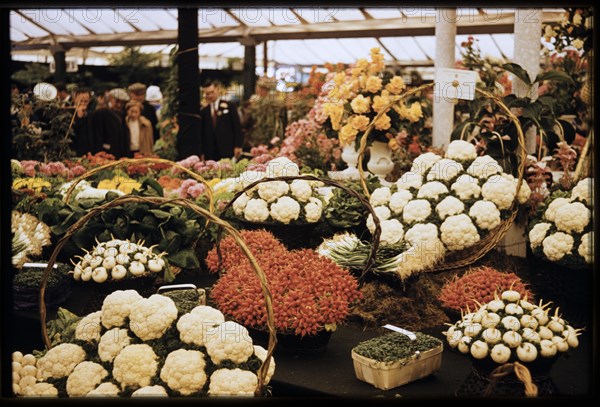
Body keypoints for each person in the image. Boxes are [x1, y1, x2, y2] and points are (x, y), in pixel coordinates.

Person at [200, 80, 243, 161]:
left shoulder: (230, 106)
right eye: (207, 94)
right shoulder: (204, 111)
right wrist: (202, 152)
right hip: (210, 152)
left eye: (212, 92)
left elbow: (237, 127)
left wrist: (238, 145)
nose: (210, 95)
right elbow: (202, 133)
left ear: (217, 90)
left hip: (227, 149)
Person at [89, 88, 130, 159]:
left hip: (119, 154)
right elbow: (97, 135)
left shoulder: (122, 114)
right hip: (106, 153)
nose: (119, 105)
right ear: (110, 99)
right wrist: (100, 151)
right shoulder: (100, 113)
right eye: (117, 101)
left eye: (122, 103)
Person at [71, 88, 100, 156]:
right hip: (74, 152)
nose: (83, 103)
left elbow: (96, 135)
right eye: (81, 101)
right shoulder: (69, 113)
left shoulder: (92, 115)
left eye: (86, 101)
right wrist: (78, 117)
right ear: (74, 99)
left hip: (89, 153)